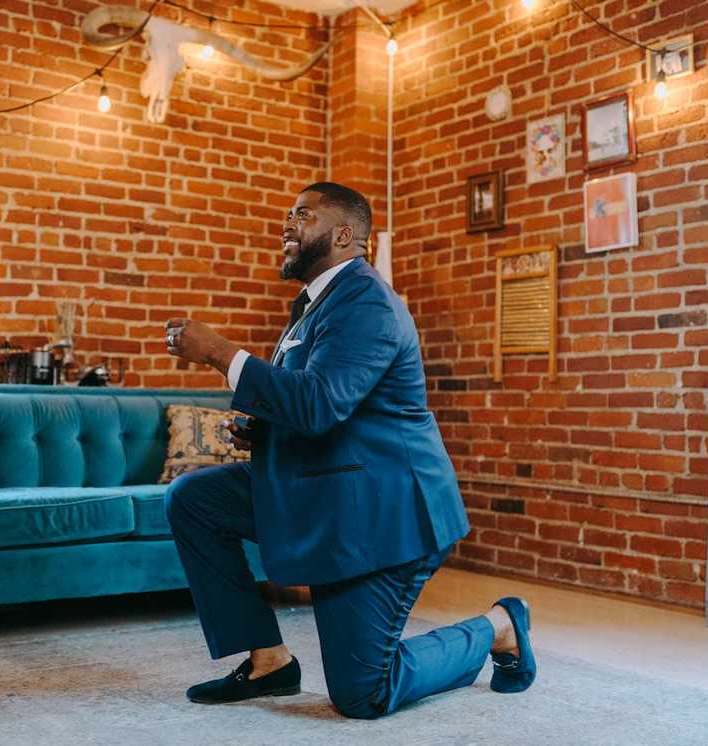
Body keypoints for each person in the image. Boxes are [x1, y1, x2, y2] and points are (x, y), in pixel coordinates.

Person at [163, 182, 536, 719]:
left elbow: (319, 403)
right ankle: (268, 660)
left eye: (302, 215)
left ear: (343, 235)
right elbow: (324, 407)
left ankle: (499, 627)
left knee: (363, 692)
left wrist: (219, 352)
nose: (287, 224)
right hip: (330, 490)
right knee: (194, 499)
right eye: (288, 214)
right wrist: (266, 433)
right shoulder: (316, 304)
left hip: (384, 514)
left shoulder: (366, 302)